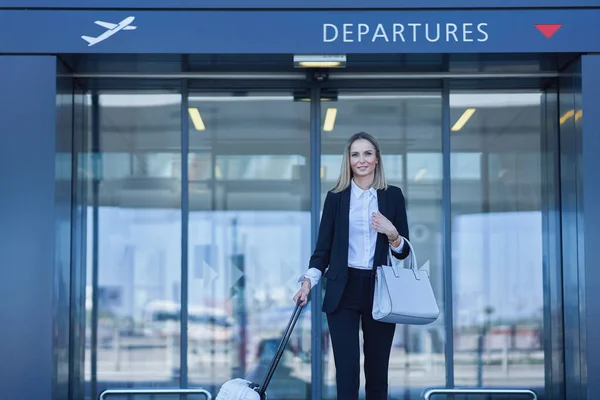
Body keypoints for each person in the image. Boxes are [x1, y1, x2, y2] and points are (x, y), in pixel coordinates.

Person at [293, 132, 410, 400]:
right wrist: (308, 281)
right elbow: (323, 250)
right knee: (346, 373)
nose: (361, 160)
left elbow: (403, 253)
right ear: (348, 160)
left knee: (377, 373)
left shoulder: (392, 196)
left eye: (367, 153)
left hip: (379, 289)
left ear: (377, 159)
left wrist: (392, 233)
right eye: (355, 154)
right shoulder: (336, 198)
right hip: (343, 290)